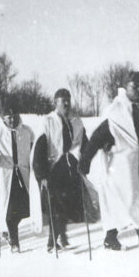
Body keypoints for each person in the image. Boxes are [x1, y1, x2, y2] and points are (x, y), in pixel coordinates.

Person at [79, 71, 139, 255]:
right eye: (133, 86)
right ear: (125, 88)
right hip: (121, 166)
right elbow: (98, 137)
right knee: (131, 202)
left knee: (138, 201)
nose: (138, 90)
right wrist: (85, 160)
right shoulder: (116, 111)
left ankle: (110, 237)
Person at [31, 88, 89, 252]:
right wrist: (41, 174)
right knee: (55, 206)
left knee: (66, 206)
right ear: (55, 103)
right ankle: (51, 242)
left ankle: (62, 237)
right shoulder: (48, 121)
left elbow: (84, 142)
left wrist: (85, 160)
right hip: (53, 169)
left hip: (70, 167)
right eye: (62, 101)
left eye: (68, 100)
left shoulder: (76, 121)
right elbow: (40, 148)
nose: (66, 104)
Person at [0, 102, 39, 253]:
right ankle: (14, 242)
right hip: (6, 176)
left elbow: (33, 150)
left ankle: (8, 232)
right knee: (9, 211)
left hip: (23, 175)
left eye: (13, 117)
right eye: (8, 118)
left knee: (27, 208)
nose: (11, 120)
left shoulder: (27, 131)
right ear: (3, 118)